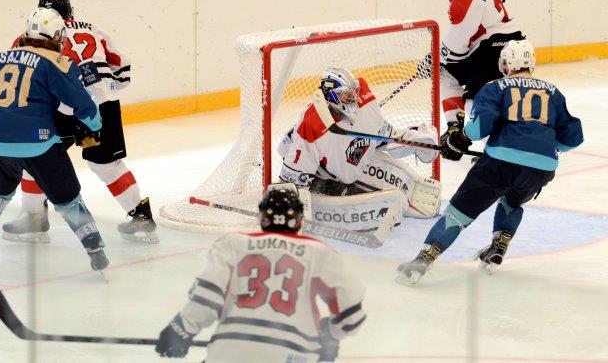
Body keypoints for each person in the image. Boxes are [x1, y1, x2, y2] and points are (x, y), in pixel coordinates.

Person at [396, 40, 584, 285]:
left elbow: (477, 129)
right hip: (542, 168)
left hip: (500, 164)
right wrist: (543, 146)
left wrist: (460, 136)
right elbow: (573, 138)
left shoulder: (495, 87)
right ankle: (499, 246)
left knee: (457, 216)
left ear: (505, 64)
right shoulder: (553, 92)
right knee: (512, 201)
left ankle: (422, 261)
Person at [0, 0, 158, 244]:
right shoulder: (93, 30)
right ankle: (141, 217)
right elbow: (123, 69)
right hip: (100, 107)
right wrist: (103, 89)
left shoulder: (26, 38)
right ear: (70, 12)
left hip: (58, 110)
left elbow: (19, 78)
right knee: (106, 165)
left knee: (35, 158)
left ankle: (34, 219)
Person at [155, 185, 366, 362]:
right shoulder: (319, 252)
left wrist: (181, 329)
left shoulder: (232, 244)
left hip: (230, 351)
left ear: (262, 218)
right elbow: (351, 315)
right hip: (294, 354)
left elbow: (208, 295)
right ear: (300, 221)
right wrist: (330, 334)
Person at [0, 7, 108, 272]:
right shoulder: (57, 61)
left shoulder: (1, 58)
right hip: (38, 145)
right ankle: (95, 248)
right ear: (54, 35)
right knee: (68, 198)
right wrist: (95, 125)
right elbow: (82, 102)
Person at [277, 66, 441, 235]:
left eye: (354, 92)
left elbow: (379, 133)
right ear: (331, 95)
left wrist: (410, 140)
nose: (354, 98)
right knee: (334, 189)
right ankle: (329, 189)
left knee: (355, 173)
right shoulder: (312, 125)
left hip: (339, 162)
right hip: (314, 171)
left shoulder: (363, 100)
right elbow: (293, 177)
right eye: (346, 95)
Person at [436, 0, 525, 126]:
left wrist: (435, 58)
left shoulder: (461, 5)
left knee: (446, 74)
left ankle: (456, 130)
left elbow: (455, 50)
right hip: (515, 39)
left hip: (490, 50)